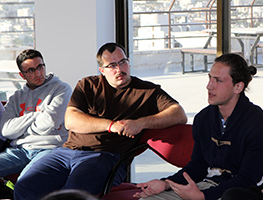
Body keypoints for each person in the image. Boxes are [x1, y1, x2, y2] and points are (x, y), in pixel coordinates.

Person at [13, 42, 187, 200]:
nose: (119, 69)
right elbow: (71, 120)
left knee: (72, 193)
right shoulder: (87, 85)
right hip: (66, 152)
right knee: (25, 186)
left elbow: (179, 114)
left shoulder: (147, 91)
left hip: (106, 156)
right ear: (102, 70)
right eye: (112, 65)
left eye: (122, 62)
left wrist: (141, 123)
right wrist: (111, 126)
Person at [134, 53, 263, 200]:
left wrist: (203, 196)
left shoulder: (258, 123)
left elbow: (247, 179)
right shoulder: (203, 118)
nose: (209, 86)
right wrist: (166, 183)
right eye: (210, 78)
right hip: (209, 185)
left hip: (245, 192)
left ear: (238, 87)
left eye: (218, 80)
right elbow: (198, 166)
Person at [0, 49, 72, 179]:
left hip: (50, 149)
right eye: (31, 70)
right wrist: (35, 115)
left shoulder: (61, 89)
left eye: (40, 67)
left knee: (25, 181)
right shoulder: (16, 97)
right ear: (22, 75)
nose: (38, 73)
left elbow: (49, 123)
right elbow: (6, 131)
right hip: (20, 150)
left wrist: (21, 129)